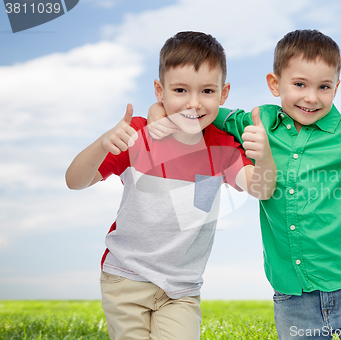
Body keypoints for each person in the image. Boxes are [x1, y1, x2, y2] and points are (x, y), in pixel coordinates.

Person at [147, 29, 341, 339]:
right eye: (299, 84)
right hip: (291, 293)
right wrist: (157, 113)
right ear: (275, 84)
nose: (311, 97)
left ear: (336, 88)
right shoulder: (257, 121)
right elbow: (197, 114)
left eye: (324, 86)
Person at [65, 31, 276, 340]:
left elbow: (262, 189)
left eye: (206, 91)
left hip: (181, 290)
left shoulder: (222, 147)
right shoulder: (137, 135)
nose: (193, 103)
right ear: (159, 91)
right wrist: (103, 144)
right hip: (126, 279)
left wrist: (265, 156)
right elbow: (74, 181)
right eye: (180, 90)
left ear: (224, 93)